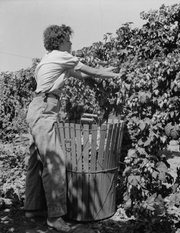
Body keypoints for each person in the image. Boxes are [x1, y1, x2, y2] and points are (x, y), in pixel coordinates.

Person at [24, 24, 118, 232]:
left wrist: (104, 72)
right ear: (60, 41)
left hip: (38, 107)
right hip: (45, 109)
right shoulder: (61, 55)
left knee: (36, 161)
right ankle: (55, 217)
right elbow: (90, 70)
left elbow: (83, 75)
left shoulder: (49, 59)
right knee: (54, 162)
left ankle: (32, 209)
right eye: (68, 39)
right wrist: (114, 76)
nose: (71, 43)